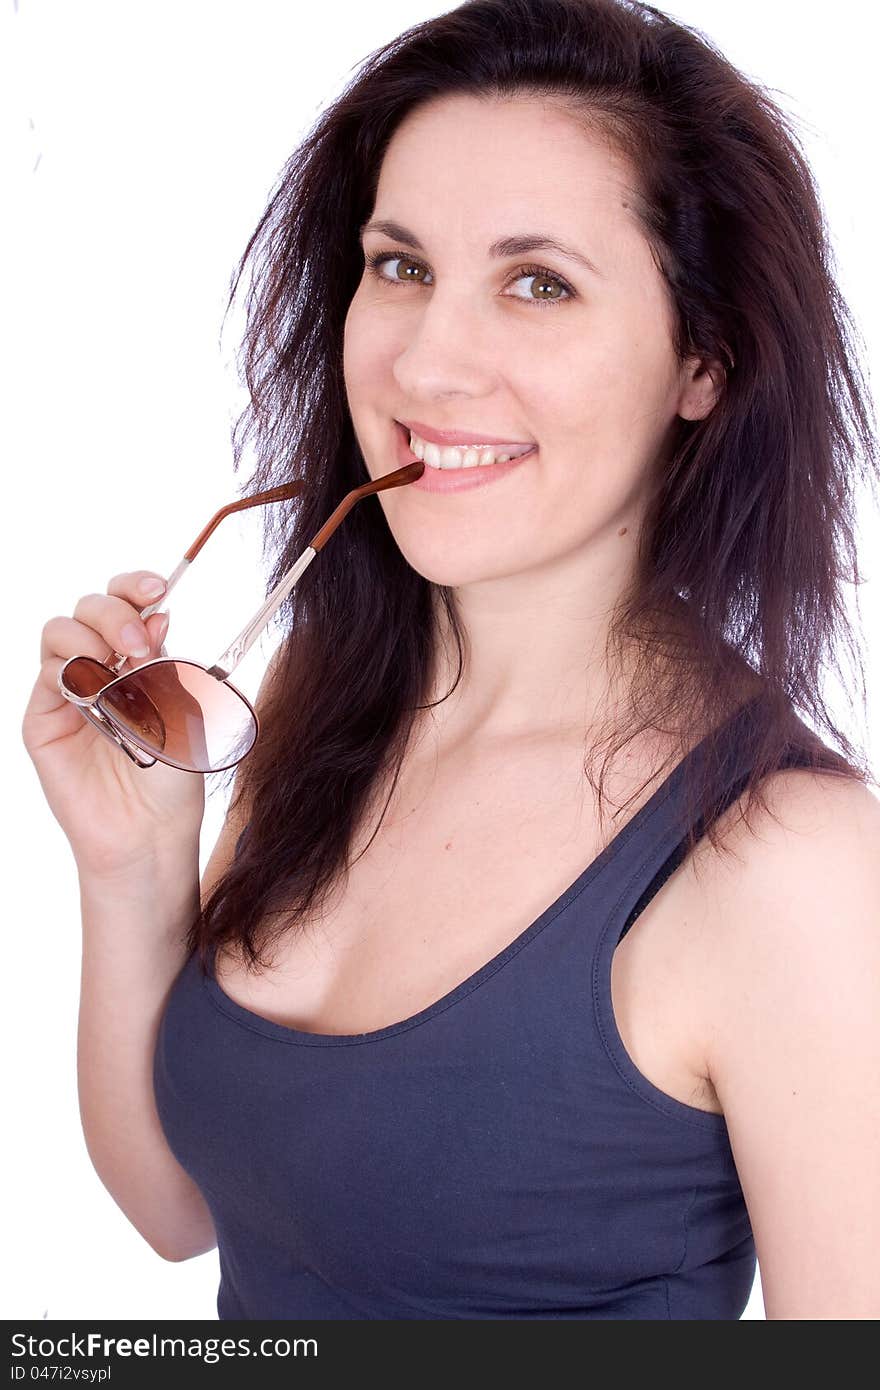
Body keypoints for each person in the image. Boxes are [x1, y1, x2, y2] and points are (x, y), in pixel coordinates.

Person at [22, 0, 880, 1321]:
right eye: (401, 265)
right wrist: (132, 867)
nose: (427, 359)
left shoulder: (787, 864)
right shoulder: (327, 690)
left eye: (538, 283)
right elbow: (180, 1209)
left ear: (700, 359)